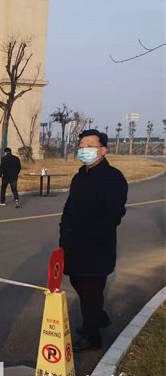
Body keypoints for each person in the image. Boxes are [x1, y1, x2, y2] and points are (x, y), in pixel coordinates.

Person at [59, 129, 127, 352]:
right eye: (81, 146)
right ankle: (97, 317)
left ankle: (92, 336)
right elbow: (69, 207)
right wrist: (64, 232)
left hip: (96, 247)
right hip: (73, 245)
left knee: (91, 290)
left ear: (103, 150)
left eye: (89, 146)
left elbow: (114, 214)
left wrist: (92, 237)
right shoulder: (80, 176)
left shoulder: (113, 177)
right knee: (78, 282)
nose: (84, 150)